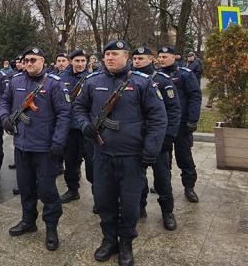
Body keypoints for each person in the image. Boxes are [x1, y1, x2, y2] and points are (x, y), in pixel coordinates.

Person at [73, 40, 167, 265]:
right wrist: (85, 125)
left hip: (132, 158)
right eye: (107, 54)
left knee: (130, 204)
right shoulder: (93, 81)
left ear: (126, 56)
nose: (110, 58)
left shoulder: (143, 83)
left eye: (115, 54)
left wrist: (150, 151)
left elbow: (158, 119)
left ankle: (126, 243)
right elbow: (78, 107)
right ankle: (109, 240)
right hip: (103, 155)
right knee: (103, 201)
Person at [1, 47, 71, 251]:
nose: (29, 63)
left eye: (33, 59)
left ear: (43, 61)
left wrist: (58, 142)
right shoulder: (15, 81)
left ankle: (51, 227)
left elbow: (64, 114)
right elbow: (5, 101)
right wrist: (4, 117)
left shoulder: (54, 84)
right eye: (26, 60)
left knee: (47, 190)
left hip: (45, 148)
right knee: (25, 187)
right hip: (22, 146)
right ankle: (28, 221)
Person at [132, 46, 181, 231]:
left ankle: (167, 211)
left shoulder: (162, 80)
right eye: (135, 58)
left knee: (162, 177)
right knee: (137, 176)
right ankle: (140, 206)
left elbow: (174, 110)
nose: (137, 62)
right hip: (137, 139)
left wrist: (168, 136)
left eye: (141, 59)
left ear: (151, 60)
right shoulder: (130, 80)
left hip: (158, 139)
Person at [158, 46, 202, 203]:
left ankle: (189, 187)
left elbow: (195, 97)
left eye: (165, 56)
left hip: (182, 125)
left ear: (174, 57)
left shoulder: (185, 74)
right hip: (163, 125)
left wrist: (192, 119)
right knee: (164, 158)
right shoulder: (156, 76)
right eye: (160, 57)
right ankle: (163, 185)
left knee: (184, 157)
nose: (161, 59)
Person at [59, 49, 95, 209]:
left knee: (93, 163)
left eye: (83, 61)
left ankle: (98, 195)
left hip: (87, 127)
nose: (80, 64)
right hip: (70, 128)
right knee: (71, 161)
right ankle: (73, 190)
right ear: (71, 61)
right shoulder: (61, 79)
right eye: (77, 61)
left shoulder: (93, 78)